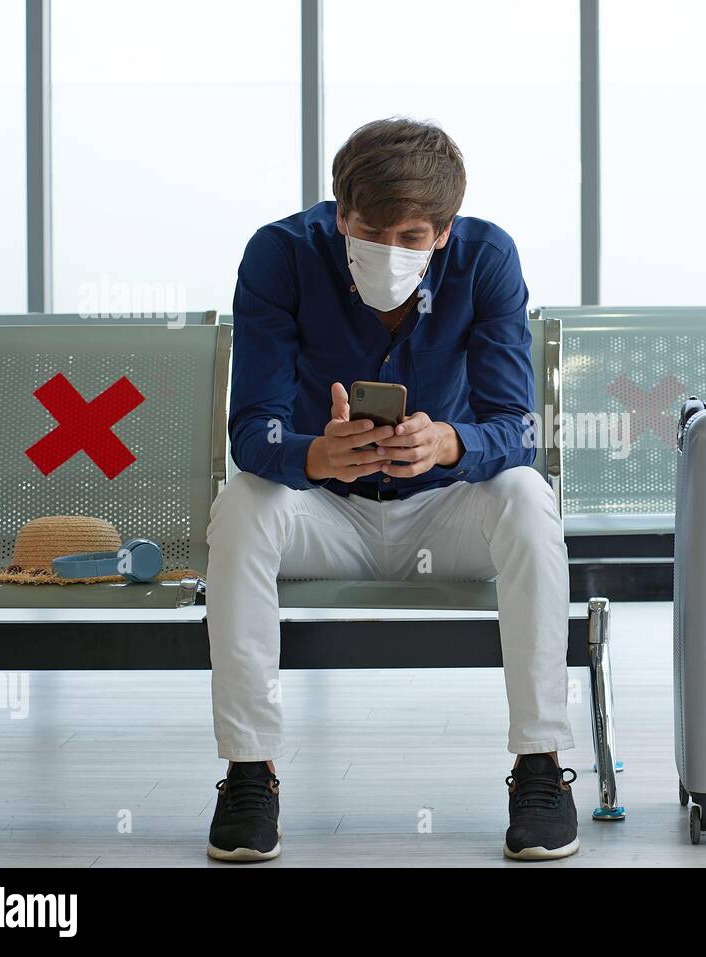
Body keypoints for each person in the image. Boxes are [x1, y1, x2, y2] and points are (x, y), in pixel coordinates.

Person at [203, 117, 577, 862]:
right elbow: (253, 432)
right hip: (326, 514)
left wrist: (451, 442)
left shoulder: (486, 259)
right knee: (241, 504)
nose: (391, 251)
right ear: (341, 215)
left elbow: (516, 428)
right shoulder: (280, 255)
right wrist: (316, 455)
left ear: (442, 233)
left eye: (412, 236)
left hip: (444, 510)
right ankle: (250, 768)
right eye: (370, 230)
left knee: (529, 497)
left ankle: (540, 765)